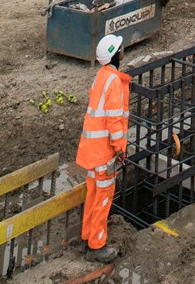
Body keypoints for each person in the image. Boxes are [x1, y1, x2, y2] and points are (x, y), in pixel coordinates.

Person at [76, 33, 129, 261]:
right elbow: (114, 119)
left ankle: (87, 237)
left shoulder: (100, 77)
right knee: (103, 197)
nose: (123, 50)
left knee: (93, 194)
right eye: (120, 48)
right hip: (104, 152)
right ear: (115, 55)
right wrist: (120, 148)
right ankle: (97, 246)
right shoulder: (114, 81)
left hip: (91, 151)